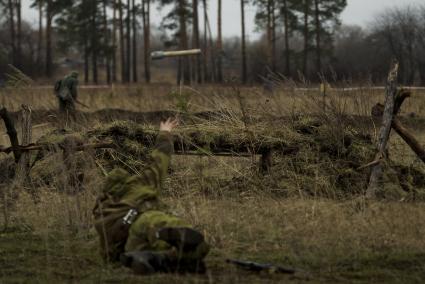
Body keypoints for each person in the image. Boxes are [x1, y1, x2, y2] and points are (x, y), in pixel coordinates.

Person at [93, 118, 209, 274]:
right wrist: (165, 133)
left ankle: (151, 258)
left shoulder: (102, 210)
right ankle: (174, 254)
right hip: (145, 221)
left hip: (128, 243)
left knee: (154, 244)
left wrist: (113, 261)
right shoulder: (141, 184)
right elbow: (159, 160)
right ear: (128, 181)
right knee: (196, 244)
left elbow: (107, 249)